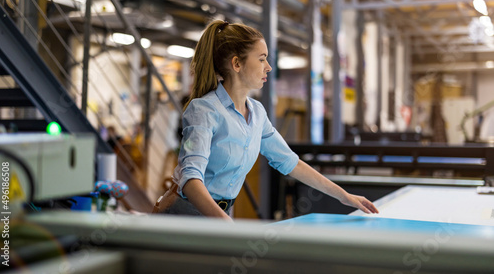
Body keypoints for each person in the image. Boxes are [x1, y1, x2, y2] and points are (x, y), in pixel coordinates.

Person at [153, 20, 378, 220]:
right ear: (237, 64)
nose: (268, 67)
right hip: (183, 217)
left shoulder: (257, 113)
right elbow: (191, 181)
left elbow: (291, 163)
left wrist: (344, 196)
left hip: (218, 216)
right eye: (261, 59)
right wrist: (225, 226)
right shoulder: (204, 110)